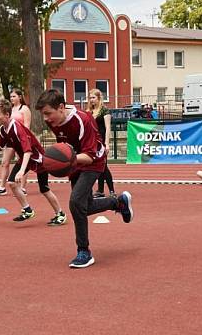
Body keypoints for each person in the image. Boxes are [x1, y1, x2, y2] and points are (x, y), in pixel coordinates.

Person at [35, 89, 134, 269]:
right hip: (76, 161)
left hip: (94, 161)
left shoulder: (83, 120)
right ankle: (118, 202)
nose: (46, 119)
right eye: (43, 115)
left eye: (48, 113)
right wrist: (57, 161)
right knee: (84, 207)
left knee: (75, 203)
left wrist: (64, 160)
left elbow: (88, 156)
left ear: (61, 107)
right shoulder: (53, 121)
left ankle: (84, 251)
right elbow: (65, 146)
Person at [0, 99, 66, 225]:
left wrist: (22, 171)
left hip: (38, 159)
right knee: (11, 183)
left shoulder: (17, 128)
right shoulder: (2, 129)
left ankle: (60, 213)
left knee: (44, 189)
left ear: (6, 115)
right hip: (25, 159)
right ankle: (27, 210)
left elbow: (28, 150)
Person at [0, 88, 31, 196]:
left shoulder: (25, 109)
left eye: (14, 96)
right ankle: (2, 187)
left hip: (20, 139)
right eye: (11, 96)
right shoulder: (9, 109)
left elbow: (26, 126)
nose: (12, 98)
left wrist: (22, 139)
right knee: (4, 162)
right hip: (10, 139)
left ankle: (22, 187)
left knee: (22, 161)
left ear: (20, 97)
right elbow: (5, 125)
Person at [87, 89, 116, 198]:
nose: (91, 100)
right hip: (92, 142)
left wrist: (107, 143)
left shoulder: (104, 111)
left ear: (99, 98)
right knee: (97, 166)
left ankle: (112, 191)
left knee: (103, 166)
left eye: (93, 97)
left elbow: (108, 128)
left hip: (102, 142)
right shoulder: (89, 111)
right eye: (90, 98)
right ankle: (100, 190)